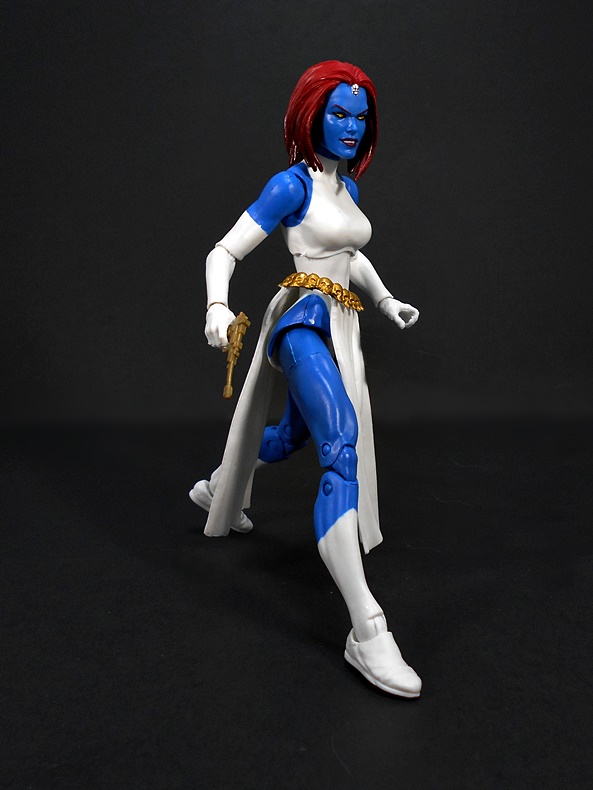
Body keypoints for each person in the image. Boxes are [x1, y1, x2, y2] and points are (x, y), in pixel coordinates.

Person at [190, 61, 422, 697]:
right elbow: (224, 250)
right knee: (339, 441)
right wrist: (216, 305)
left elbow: (352, 255)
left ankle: (219, 486)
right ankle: (367, 629)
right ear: (311, 114)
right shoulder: (290, 185)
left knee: (292, 435)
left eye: (360, 116)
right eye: (338, 113)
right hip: (303, 323)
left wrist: (385, 300)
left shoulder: (348, 191)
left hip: (342, 326)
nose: (351, 126)